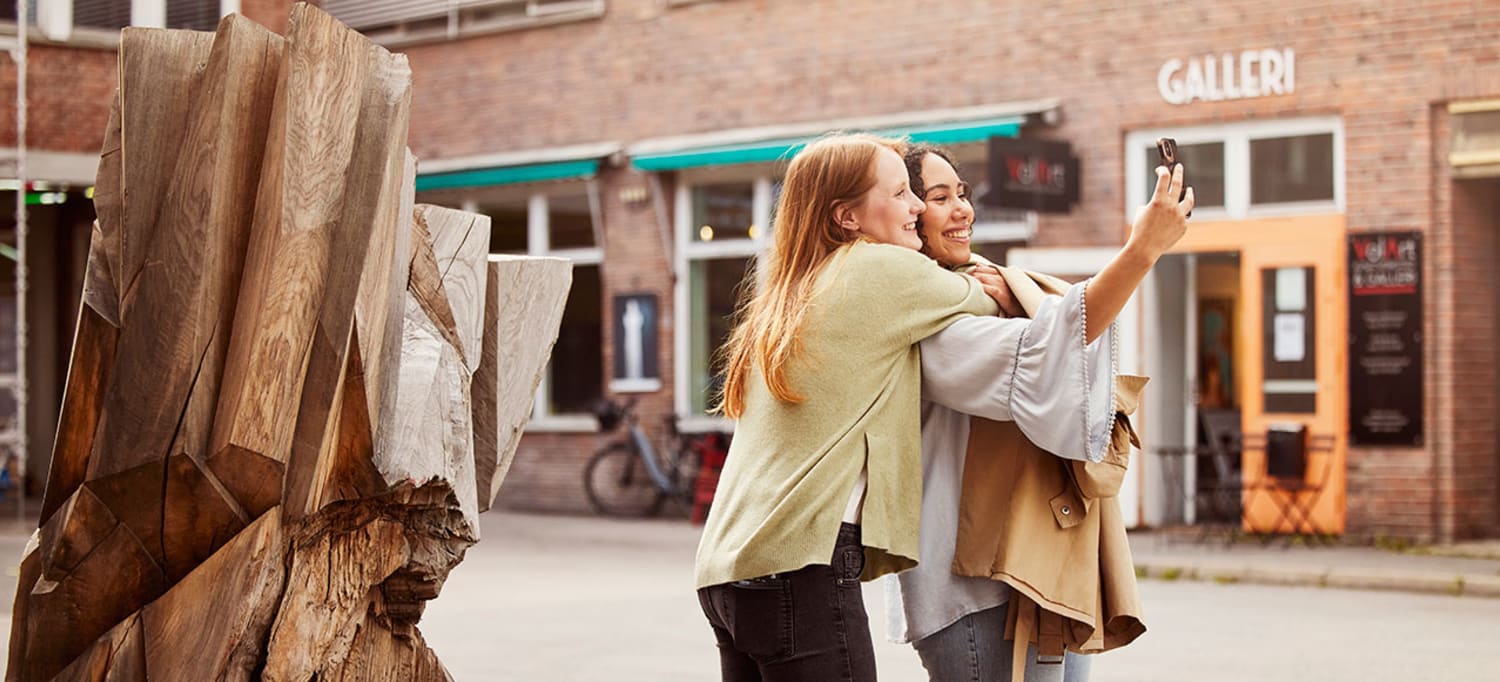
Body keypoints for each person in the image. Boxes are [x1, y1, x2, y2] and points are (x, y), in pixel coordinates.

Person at [694, 133, 1008, 682]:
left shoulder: (793, 286)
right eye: (901, 194)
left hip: (727, 569)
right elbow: (986, 295)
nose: (915, 207)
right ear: (848, 217)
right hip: (797, 564)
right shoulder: (877, 270)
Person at [883, 144, 1191, 681]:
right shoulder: (925, 318)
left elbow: (1048, 342)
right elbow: (1046, 352)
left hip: (1036, 566)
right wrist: (1141, 250)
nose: (962, 210)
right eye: (939, 197)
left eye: (962, 193)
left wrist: (1011, 299)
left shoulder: (981, 288)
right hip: (969, 591)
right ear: (909, 213)